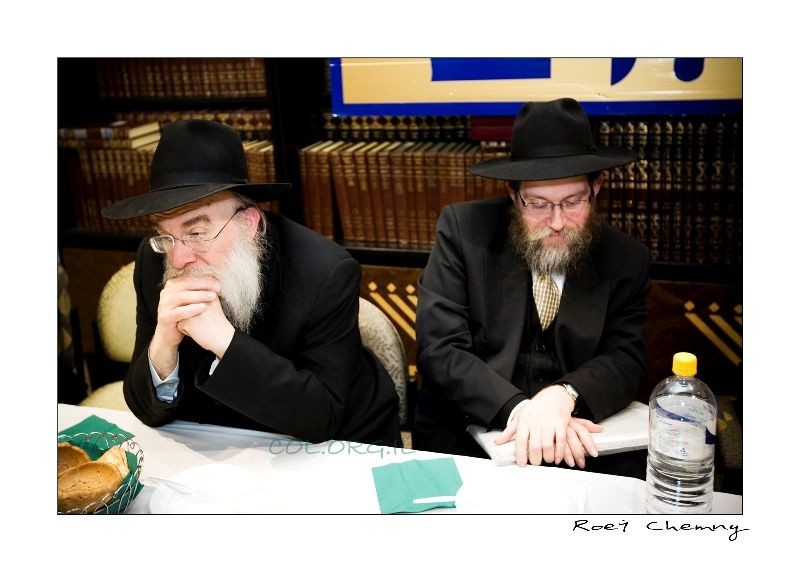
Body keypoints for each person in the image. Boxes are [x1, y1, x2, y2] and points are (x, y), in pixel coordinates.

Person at [101, 119, 400, 446]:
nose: (178, 258)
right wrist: (163, 346)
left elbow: (322, 416)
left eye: (196, 232)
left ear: (249, 223)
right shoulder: (154, 258)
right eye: (165, 235)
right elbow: (147, 410)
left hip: (336, 445)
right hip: (219, 442)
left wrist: (226, 343)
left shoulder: (326, 272)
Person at [413, 98, 650, 475]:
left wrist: (562, 396)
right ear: (513, 193)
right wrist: (523, 412)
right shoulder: (463, 231)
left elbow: (625, 358)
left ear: (596, 188)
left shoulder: (626, 257)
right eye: (537, 204)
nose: (556, 222)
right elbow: (439, 348)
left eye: (573, 202)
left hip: (577, 440)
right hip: (470, 431)